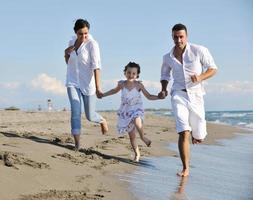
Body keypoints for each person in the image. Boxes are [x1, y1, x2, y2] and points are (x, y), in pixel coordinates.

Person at [159, 23, 217, 176]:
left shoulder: (199, 50)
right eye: (175, 37)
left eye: (181, 37)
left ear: (186, 36)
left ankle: (196, 133)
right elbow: (164, 75)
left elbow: (213, 69)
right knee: (183, 131)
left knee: (199, 135)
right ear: (172, 37)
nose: (178, 40)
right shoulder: (167, 57)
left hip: (196, 95)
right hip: (178, 94)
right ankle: (185, 168)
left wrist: (200, 77)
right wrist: (164, 89)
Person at [98, 62, 161, 162]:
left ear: (137, 75)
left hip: (137, 109)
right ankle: (137, 154)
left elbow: (148, 96)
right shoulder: (121, 84)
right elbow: (113, 91)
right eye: (129, 72)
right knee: (132, 136)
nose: (131, 75)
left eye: (133, 73)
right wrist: (103, 94)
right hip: (126, 112)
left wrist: (159, 97)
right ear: (125, 73)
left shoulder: (139, 85)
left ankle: (143, 137)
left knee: (137, 120)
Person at [64, 19, 108, 151]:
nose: (83, 36)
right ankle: (77, 143)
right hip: (72, 81)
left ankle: (102, 120)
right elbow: (68, 62)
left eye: (85, 33)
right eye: (80, 34)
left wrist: (98, 87)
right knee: (75, 111)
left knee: (90, 115)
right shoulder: (71, 42)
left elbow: (96, 67)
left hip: (88, 85)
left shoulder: (92, 44)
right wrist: (66, 53)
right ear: (75, 32)